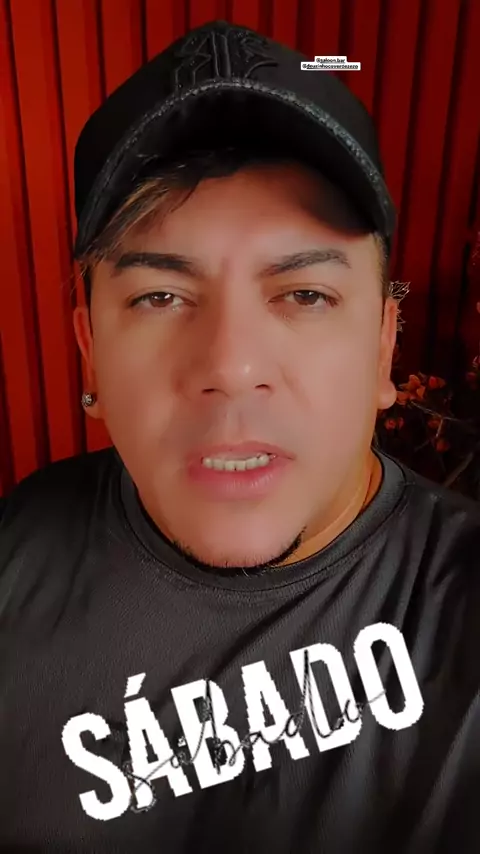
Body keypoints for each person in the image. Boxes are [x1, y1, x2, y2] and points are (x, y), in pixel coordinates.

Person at [0, 18, 479, 854]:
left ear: (383, 348)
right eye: (159, 297)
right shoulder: (15, 558)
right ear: (89, 349)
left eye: (304, 295)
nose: (230, 366)